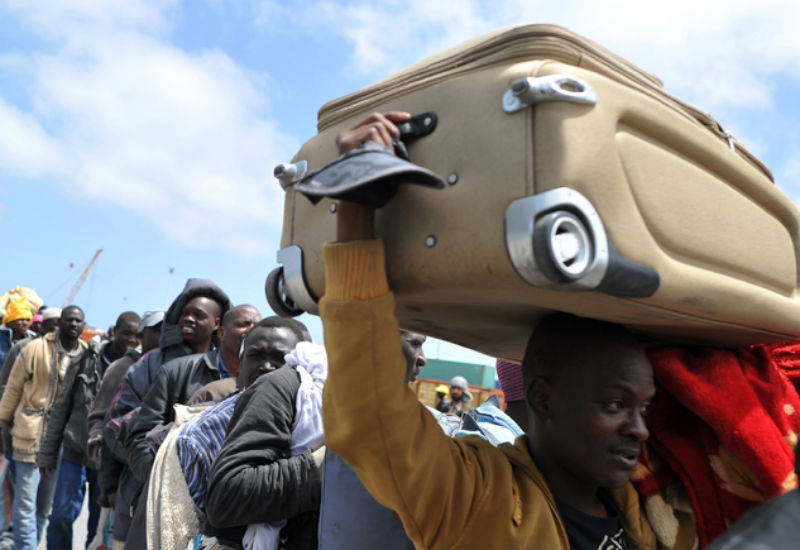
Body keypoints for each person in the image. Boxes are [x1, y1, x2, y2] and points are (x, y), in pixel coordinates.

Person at [318, 112, 661, 549]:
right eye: (616, 404)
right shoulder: (477, 498)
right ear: (541, 398)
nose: (640, 429)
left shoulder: (642, 504)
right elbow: (370, 417)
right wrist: (355, 204)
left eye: (644, 408)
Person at [103, 280, 230, 548]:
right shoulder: (151, 363)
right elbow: (117, 426)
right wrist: (156, 476)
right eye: (185, 312)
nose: (189, 318)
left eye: (199, 315)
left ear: (218, 324)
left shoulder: (229, 368)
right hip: (142, 489)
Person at [172, 317, 312, 548]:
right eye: (256, 356)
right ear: (240, 364)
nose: (267, 367)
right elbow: (186, 527)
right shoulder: (202, 434)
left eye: (281, 358)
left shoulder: (323, 424)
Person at [37, 311, 142, 550]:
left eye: (137, 335)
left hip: (108, 457)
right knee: (61, 514)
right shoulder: (87, 359)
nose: (132, 340)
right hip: (75, 450)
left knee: (98, 523)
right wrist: (48, 453)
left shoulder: (140, 368)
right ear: (114, 331)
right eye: (127, 333)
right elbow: (61, 408)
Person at [124, 304, 261, 484]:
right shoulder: (175, 371)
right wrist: (161, 484)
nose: (251, 331)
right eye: (244, 324)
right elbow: (141, 436)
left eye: (257, 326)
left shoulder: (262, 381)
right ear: (221, 332)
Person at [0, 305, 87, 550]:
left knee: (43, 506)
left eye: (78, 321)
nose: (73, 325)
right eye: (68, 320)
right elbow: (11, 389)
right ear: (59, 323)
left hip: (62, 440)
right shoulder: (32, 349)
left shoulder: (86, 354)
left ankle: (31, 545)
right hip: (29, 433)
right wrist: (3, 424)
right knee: (25, 503)